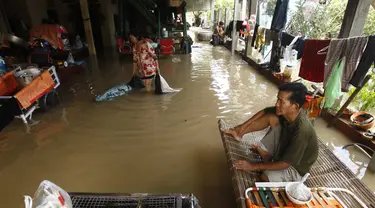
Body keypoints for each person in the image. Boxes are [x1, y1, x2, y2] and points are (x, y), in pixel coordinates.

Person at [224, 82, 318, 182]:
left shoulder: (302, 130)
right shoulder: (287, 112)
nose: (276, 104)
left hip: (295, 168)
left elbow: (285, 164)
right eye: (278, 99)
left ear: (295, 106)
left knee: (265, 176)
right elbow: (265, 111)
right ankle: (242, 136)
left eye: (281, 102)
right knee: (271, 117)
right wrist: (241, 129)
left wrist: (252, 166)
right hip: (286, 151)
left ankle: (271, 161)